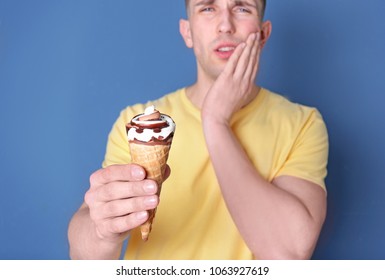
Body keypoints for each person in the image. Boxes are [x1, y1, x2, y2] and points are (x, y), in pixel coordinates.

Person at [68, 0, 328, 260]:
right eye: (207, 8)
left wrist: (216, 121)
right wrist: (102, 231)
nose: (225, 25)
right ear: (188, 32)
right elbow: (83, 258)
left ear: (263, 34)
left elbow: (288, 253)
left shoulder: (303, 123)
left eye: (242, 8)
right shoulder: (138, 123)